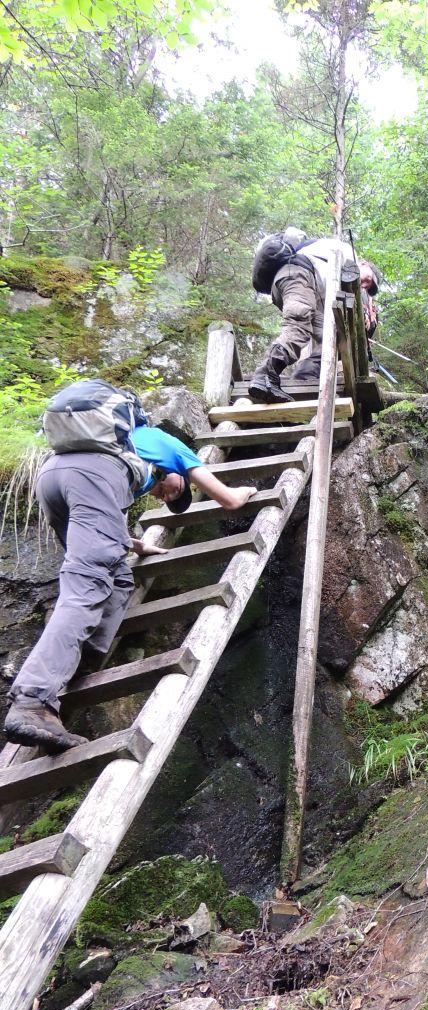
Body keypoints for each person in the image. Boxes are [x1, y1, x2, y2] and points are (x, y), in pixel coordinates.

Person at [3, 419, 257, 753]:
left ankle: (72, 666)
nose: (167, 494)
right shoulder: (167, 445)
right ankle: (33, 700)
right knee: (88, 588)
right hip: (85, 478)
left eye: (168, 499)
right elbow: (228, 500)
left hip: (52, 478)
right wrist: (246, 490)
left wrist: (137, 546)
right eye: (175, 491)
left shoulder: (122, 449)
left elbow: (99, 511)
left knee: (119, 578)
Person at [248, 230, 380, 403]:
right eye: (368, 280)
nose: (364, 286)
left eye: (367, 288)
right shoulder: (349, 252)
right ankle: (264, 376)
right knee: (298, 327)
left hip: (296, 282)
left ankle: (305, 377)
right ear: (364, 265)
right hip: (298, 275)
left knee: (334, 340)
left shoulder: (325, 273)